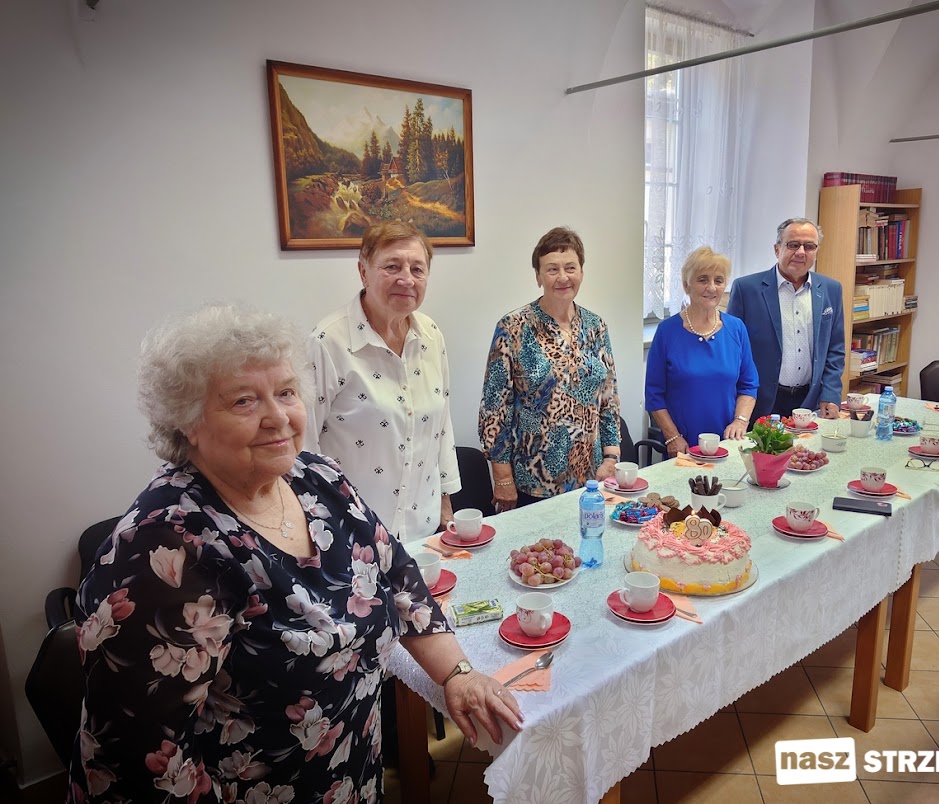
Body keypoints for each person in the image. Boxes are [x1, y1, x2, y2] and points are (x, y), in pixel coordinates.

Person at [69, 305, 520, 803]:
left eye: (286, 392)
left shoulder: (315, 477)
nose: (278, 417)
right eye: (244, 401)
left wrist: (457, 673)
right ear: (188, 422)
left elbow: (396, 575)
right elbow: (140, 763)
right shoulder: (162, 553)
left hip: (352, 775)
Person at [308, 221, 461, 542]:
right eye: (392, 266)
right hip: (352, 534)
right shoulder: (328, 342)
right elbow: (304, 447)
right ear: (363, 271)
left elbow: (441, 424)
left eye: (417, 269)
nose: (406, 279)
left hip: (423, 527)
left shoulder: (430, 334)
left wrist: (445, 504)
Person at [480, 226, 621, 511]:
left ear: (581, 272)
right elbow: (494, 409)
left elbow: (609, 398)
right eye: (552, 269)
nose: (563, 277)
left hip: (591, 478)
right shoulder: (513, 327)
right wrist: (502, 478)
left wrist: (611, 457)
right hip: (533, 482)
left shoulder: (596, 326)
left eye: (570, 267)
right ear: (538, 276)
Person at [726, 217, 845, 420]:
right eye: (793, 245)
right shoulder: (746, 289)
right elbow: (732, 350)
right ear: (777, 249)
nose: (801, 252)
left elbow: (835, 349)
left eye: (809, 246)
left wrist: (830, 393)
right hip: (760, 402)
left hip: (810, 401)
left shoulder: (831, 289)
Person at [645, 247, 759, 453]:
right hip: (683, 445)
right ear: (686, 285)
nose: (712, 287)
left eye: (719, 280)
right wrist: (672, 437)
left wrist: (740, 421)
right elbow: (654, 394)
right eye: (703, 279)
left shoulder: (736, 328)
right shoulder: (667, 331)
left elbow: (749, 384)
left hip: (727, 441)